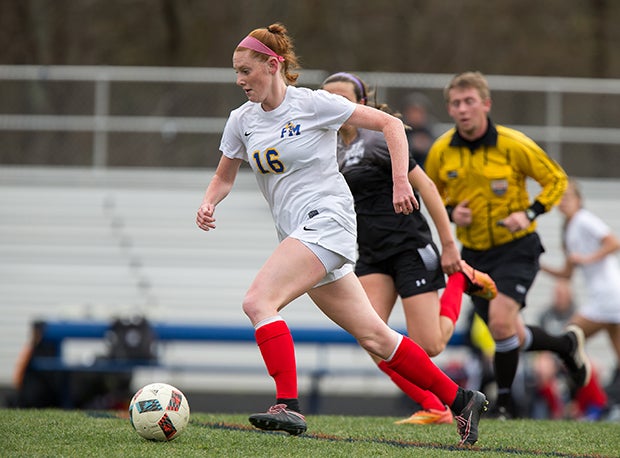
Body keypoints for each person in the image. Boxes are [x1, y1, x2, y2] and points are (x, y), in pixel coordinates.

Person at [196, 24, 487, 445]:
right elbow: (224, 177)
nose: (239, 80)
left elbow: (390, 124)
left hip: (329, 221)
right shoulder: (241, 121)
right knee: (376, 336)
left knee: (258, 301)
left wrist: (400, 182)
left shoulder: (314, 104)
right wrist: (209, 202)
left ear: (273, 65)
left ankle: (287, 404)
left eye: (246, 71)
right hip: (299, 231)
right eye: (236, 73)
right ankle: (461, 401)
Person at [320, 72, 497, 425]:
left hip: (409, 247)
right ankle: (436, 407)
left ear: (362, 104)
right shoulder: (324, 149)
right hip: (370, 253)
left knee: (430, 345)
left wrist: (449, 247)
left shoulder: (379, 138)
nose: (336, 108)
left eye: (343, 100)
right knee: (371, 337)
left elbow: (428, 188)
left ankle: (461, 280)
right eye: (328, 101)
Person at [424, 71, 590, 418]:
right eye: (456, 103)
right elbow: (431, 194)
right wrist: (453, 212)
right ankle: (565, 345)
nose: (463, 109)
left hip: (517, 248)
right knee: (509, 333)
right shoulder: (442, 151)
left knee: (500, 323)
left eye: (470, 101)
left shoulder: (513, 144)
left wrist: (530, 212)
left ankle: (503, 405)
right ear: (450, 110)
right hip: (473, 255)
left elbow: (556, 180)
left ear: (486, 104)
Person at [541, 178, 620, 419]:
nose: (563, 202)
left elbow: (613, 242)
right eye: (560, 198)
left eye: (568, 197)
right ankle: (599, 404)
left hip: (607, 297)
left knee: (568, 339)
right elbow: (567, 272)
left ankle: (588, 399)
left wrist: (587, 259)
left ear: (579, 200)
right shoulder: (570, 229)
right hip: (609, 299)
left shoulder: (584, 220)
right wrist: (538, 266)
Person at [401, 92, 437, 168]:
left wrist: (427, 146)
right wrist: (412, 144)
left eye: (419, 112)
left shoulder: (429, 130)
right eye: (413, 112)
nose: (416, 116)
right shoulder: (400, 129)